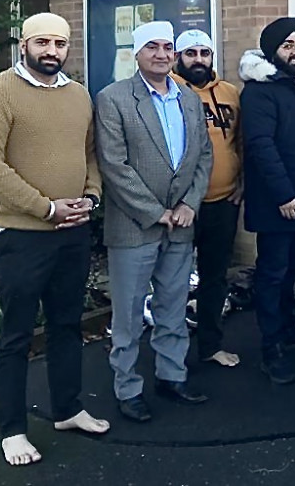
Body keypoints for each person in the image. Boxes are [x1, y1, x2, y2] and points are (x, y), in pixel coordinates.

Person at [0, 13, 110, 465]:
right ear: (24, 44)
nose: (52, 51)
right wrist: (45, 207)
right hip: (24, 235)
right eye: (42, 42)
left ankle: (67, 409)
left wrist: (90, 196)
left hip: (73, 231)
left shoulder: (78, 95)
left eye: (60, 43)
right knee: (17, 334)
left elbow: (88, 153)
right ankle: (12, 430)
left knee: (67, 325)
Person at [95, 21, 213, 422]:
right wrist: (154, 211)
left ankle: (171, 375)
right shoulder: (113, 99)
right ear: (137, 53)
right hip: (135, 224)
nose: (161, 54)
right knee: (128, 314)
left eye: (167, 47)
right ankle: (127, 388)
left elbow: (203, 156)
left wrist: (190, 204)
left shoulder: (189, 98)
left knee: (173, 304)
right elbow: (114, 165)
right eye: (153, 48)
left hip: (181, 222)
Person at [239, 18, 295, 384]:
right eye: (287, 45)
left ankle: (289, 330)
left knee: (292, 269)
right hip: (280, 203)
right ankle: (270, 348)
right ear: (272, 49)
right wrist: (284, 194)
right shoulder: (259, 91)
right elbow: (261, 146)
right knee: (273, 275)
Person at [170, 29, 242, 368]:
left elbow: (242, 142)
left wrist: (242, 183)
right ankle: (171, 355)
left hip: (223, 202)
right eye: (190, 53)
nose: (198, 59)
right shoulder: (168, 92)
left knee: (215, 277)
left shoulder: (230, 93)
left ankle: (211, 345)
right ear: (177, 57)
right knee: (172, 279)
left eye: (204, 52)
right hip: (181, 206)